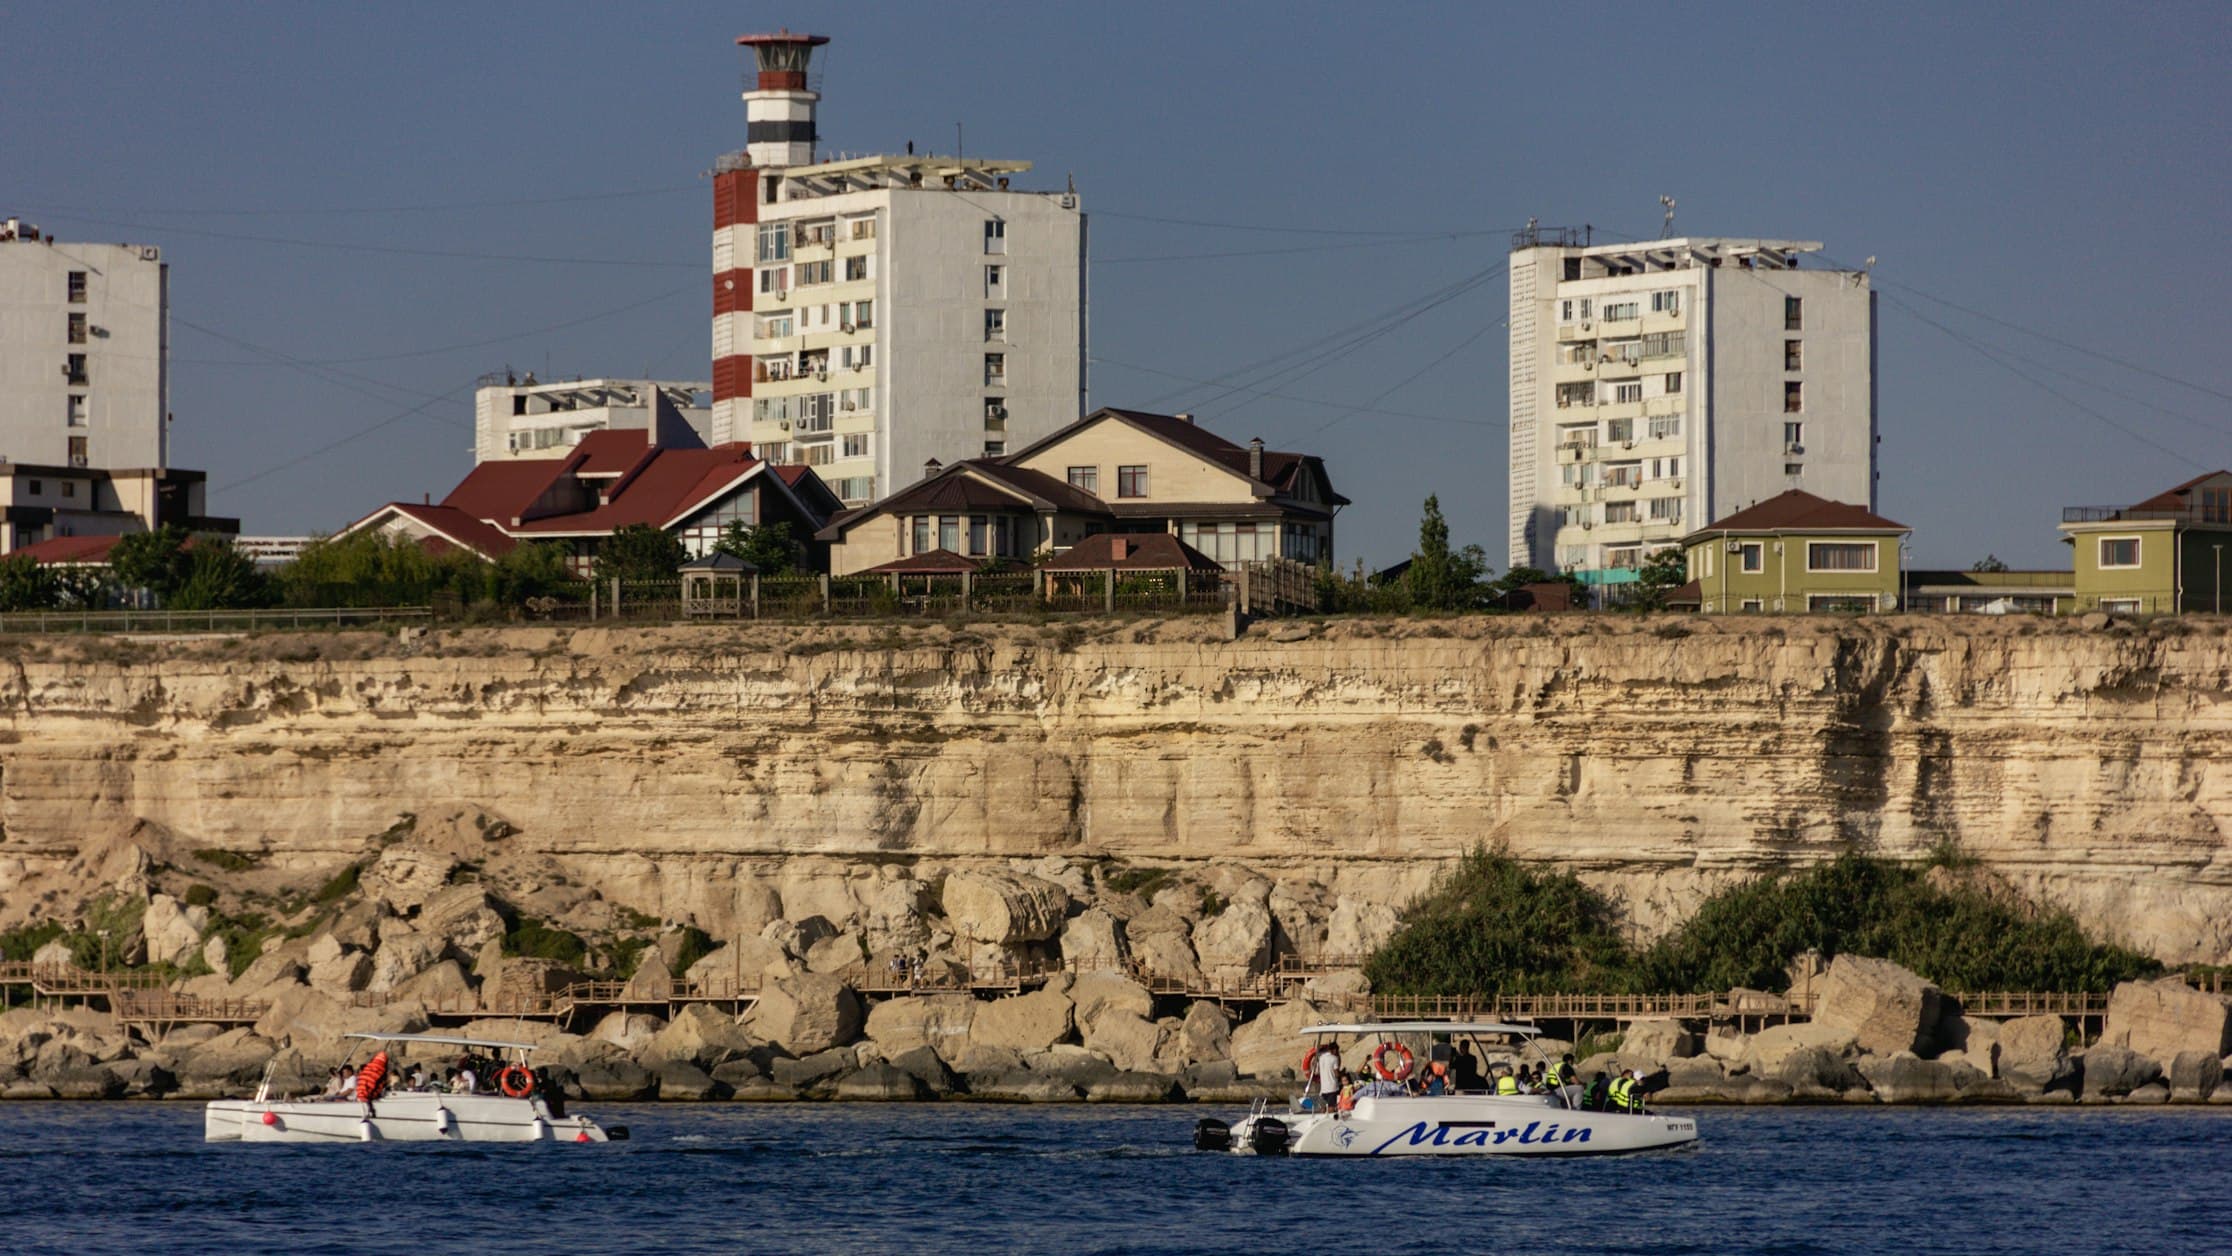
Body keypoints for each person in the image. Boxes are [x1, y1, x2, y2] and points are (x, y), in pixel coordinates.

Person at [1312, 1042, 1342, 1111]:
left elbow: (1318, 1071)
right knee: (1331, 1107)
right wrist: (1342, 1073)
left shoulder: (1321, 1058)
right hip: (1332, 1087)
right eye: (1337, 1050)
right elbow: (1336, 1073)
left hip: (1323, 1088)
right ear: (1334, 1050)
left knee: (1323, 1108)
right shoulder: (1334, 1058)